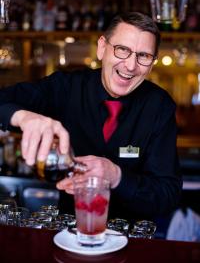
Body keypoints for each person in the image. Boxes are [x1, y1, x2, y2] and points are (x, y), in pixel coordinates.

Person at [0, 12, 182, 221]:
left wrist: (116, 176)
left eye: (143, 56)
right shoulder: (66, 87)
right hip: (70, 233)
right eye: (122, 50)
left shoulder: (159, 105)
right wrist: (23, 117)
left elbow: (167, 195)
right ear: (102, 47)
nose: (131, 66)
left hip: (133, 240)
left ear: (152, 62)